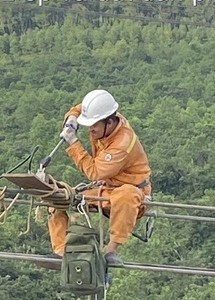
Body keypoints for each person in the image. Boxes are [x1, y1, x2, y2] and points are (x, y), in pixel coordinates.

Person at [47, 89, 152, 267]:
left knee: (126, 195)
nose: (91, 129)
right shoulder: (105, 118)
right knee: (59, 196)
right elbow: (80, 108)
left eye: (94, 125)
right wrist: (71, 118)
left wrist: (74, 144)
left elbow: (94, 172)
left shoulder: (122, 144)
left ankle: (111, 250)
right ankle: (60, 251)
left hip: (132, 190)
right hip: (107, 188)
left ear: (109, 123)